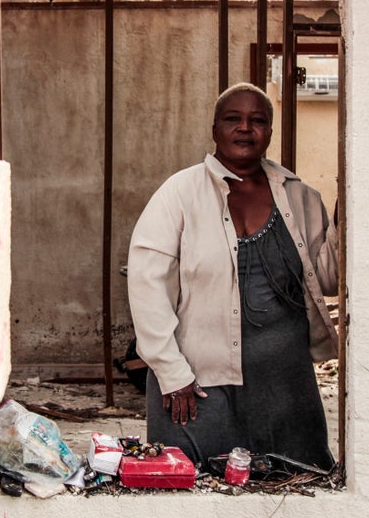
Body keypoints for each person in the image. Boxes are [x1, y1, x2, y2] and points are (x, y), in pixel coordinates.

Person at [126, 82, 338, 470]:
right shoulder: (179, 194)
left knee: (291, 491)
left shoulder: (300, 197)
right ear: (214, 130)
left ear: (270, 132)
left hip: (284, 385)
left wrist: (348, 215)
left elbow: (327, 280)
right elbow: (146, 286)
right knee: (194, 489)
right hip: (198, 384)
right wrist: (171, 372)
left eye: (257, 120)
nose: (245, 128)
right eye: (233, 119)